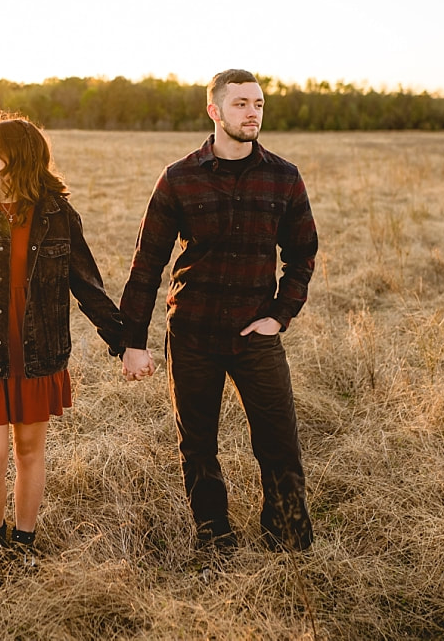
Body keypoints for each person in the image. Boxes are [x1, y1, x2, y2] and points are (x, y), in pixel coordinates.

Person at [120, 69, 318, 552]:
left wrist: (278, 315)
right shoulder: (178, 178)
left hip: (256, 334)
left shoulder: (283, 177)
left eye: (259, 104)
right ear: (214, 111)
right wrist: (131, 341)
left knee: (280, 443)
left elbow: (303, 254)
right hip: (192, 333)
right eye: (241, 104)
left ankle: (289, 538)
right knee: (198, 446)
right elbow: (147, 263)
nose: (253, 113)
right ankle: (214, 538)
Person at [0, 112, 125, 567]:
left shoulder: (57, 215)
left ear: (21, 156)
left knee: (28, 451)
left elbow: (87, 285)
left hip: (38, 351)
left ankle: (23, 542)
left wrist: (124, 341)